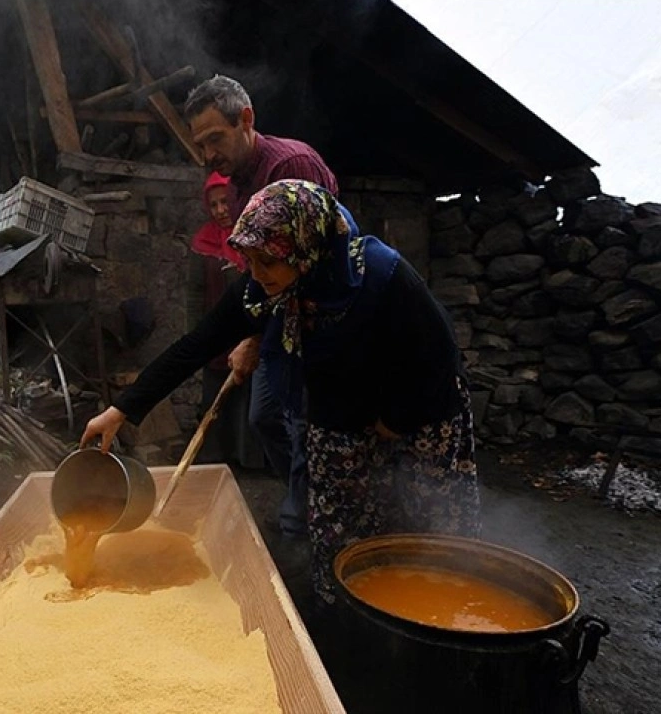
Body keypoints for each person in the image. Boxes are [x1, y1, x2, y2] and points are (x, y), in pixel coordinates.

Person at [83, 180, 482, 605]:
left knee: (427, 528)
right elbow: (196, 346)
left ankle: (438, 618)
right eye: (248, 260)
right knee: (340, 525)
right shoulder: (261, 290)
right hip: (338, 407)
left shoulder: (382, 278)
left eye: (267, 261)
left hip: (419, 405)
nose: (255, 273)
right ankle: (346, 619)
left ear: (305, 249)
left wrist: (394, 421)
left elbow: (437, 356)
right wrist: (122, 409)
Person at [184, 74, 339, 538]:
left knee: (301, 416)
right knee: (265, 415)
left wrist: (252, 337)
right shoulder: (236, 182)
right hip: (276, 313)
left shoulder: (290, 166)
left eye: (216, 138)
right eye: (200, 144)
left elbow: (302, 269)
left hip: (319, 316)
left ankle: (310, 514)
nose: (209, 154)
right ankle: (305, 497)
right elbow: (255, 269)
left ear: (246, 119)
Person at [189, 172, 263, 469]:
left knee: (247, 400)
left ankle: (249, 462)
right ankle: (215, 459)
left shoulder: (252, 240)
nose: (221, 210)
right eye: (214, 204)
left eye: (225, 202)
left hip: (247, 333)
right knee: (214, 398)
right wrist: (195, 334)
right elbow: (193, 293)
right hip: (215, 334)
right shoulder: (202, 242)